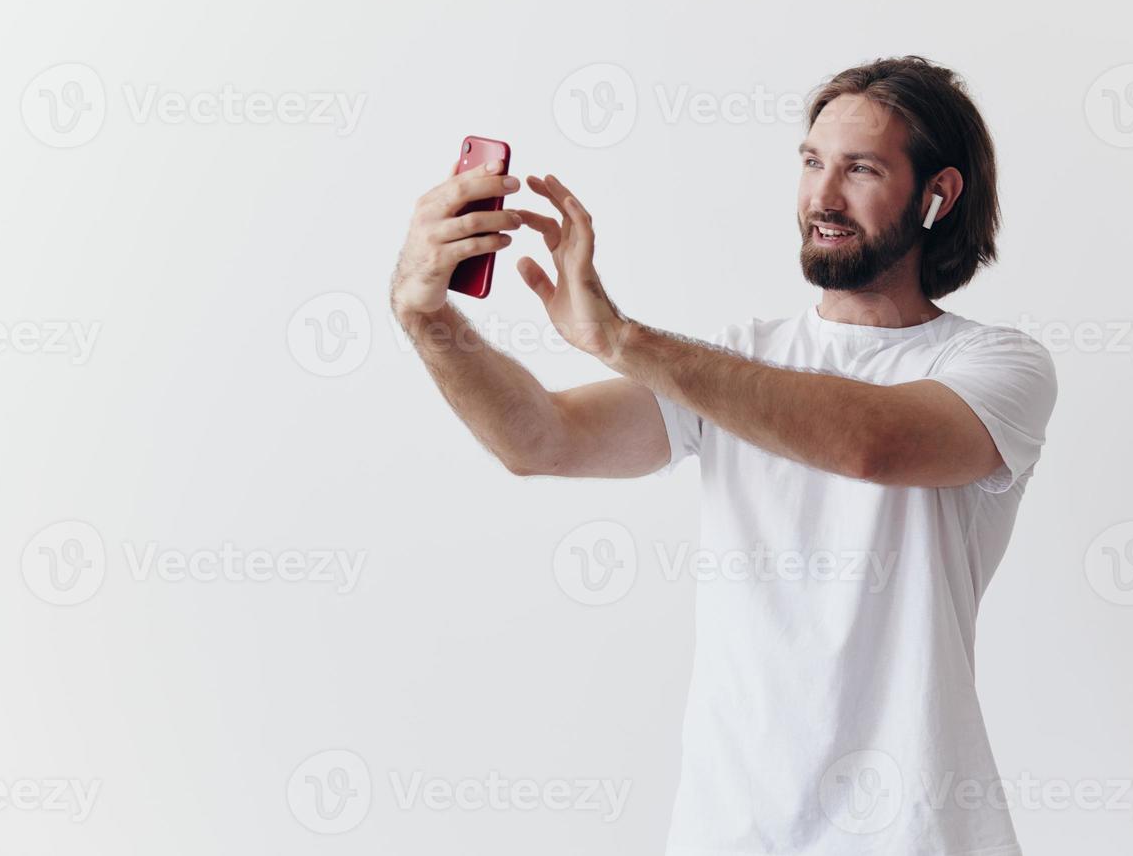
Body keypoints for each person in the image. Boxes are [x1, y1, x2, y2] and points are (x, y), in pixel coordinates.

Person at [389, 55, 1058, 856]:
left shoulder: (997, 367)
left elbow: (871, 444)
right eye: (812, 163)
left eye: (861, 169)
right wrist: (427, 321)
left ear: (938, 195)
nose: (823, 196)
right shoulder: (734, 362)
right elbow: (539, 440)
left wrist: (619, 338)